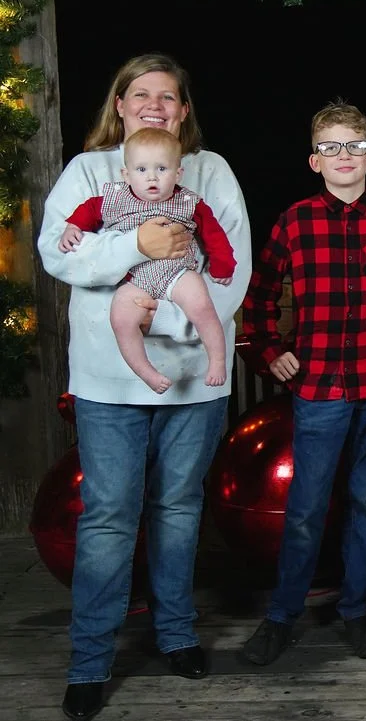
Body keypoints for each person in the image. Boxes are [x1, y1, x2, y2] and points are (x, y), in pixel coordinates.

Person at [37, 53, 252, 721]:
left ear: (183, 110)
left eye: (169, 95)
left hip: (193, 378)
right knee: (108, 516)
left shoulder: (210, 172)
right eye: (141, 94)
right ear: (121, 105)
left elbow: (231, 264)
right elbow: (57, 252)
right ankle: (90, 661)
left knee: (179, 508)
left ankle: (176, 631)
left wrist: (191, 327)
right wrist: (137, 249)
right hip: (110, 379)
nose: (155, 103)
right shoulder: (89, 171)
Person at [240, 100, 366, 668]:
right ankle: (283, 615)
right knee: (306, 507)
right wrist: (271, 352)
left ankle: (357, 610)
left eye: (355, 147)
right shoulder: (294, 221)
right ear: (315, 160)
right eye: (332, 148)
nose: (345, 156)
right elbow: (259, 298)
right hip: (317, 386)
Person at [59, 127, 236, 393]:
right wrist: (73, 226)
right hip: (135, 277)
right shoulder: (114, 198)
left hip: (177, 271)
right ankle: (147, 372)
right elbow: (89, 211)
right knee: (121, 319)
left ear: (178, 173)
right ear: (126, 174)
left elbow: (214, 234)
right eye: (141, 170)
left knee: (201, 306)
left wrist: (223, 264)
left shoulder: (189, 202)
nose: (152, 177)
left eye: (162, 169)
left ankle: (218, 361)